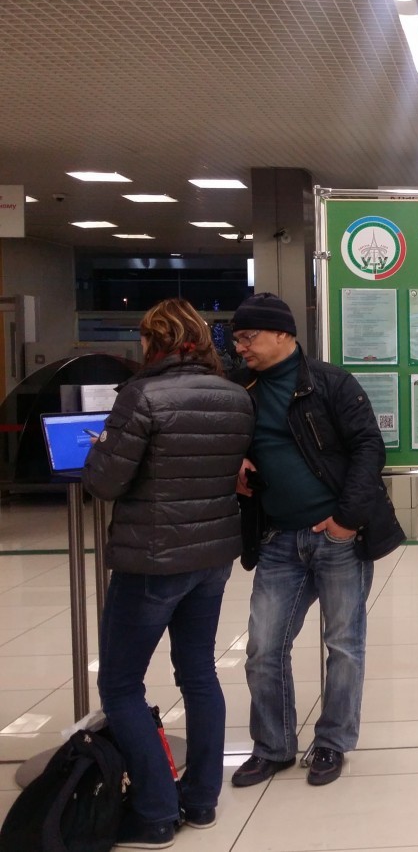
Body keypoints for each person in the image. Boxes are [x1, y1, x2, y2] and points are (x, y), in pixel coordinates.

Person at [83, 298, 254, 849]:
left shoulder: (141, 396)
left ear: (153, 341)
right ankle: (201, 800)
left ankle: (156, 812)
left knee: (120, 685)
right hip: (212, 557)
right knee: (198, 672)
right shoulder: (234, 397)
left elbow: (106, 482)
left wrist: (100, 448)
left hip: (152, 560)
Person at [228, 292, 405, 789]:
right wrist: (235, 462)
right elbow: (227, 441)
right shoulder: (240, 388)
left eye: (249, 337)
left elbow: (369, 447)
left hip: (337, 539)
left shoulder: (330, 383)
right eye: (237, 339)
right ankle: (273, 747)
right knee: (263, 647)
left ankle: (332, 742)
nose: (241, 347)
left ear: (283, 334)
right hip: (278, 539)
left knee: (343, 645)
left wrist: (347, 520)